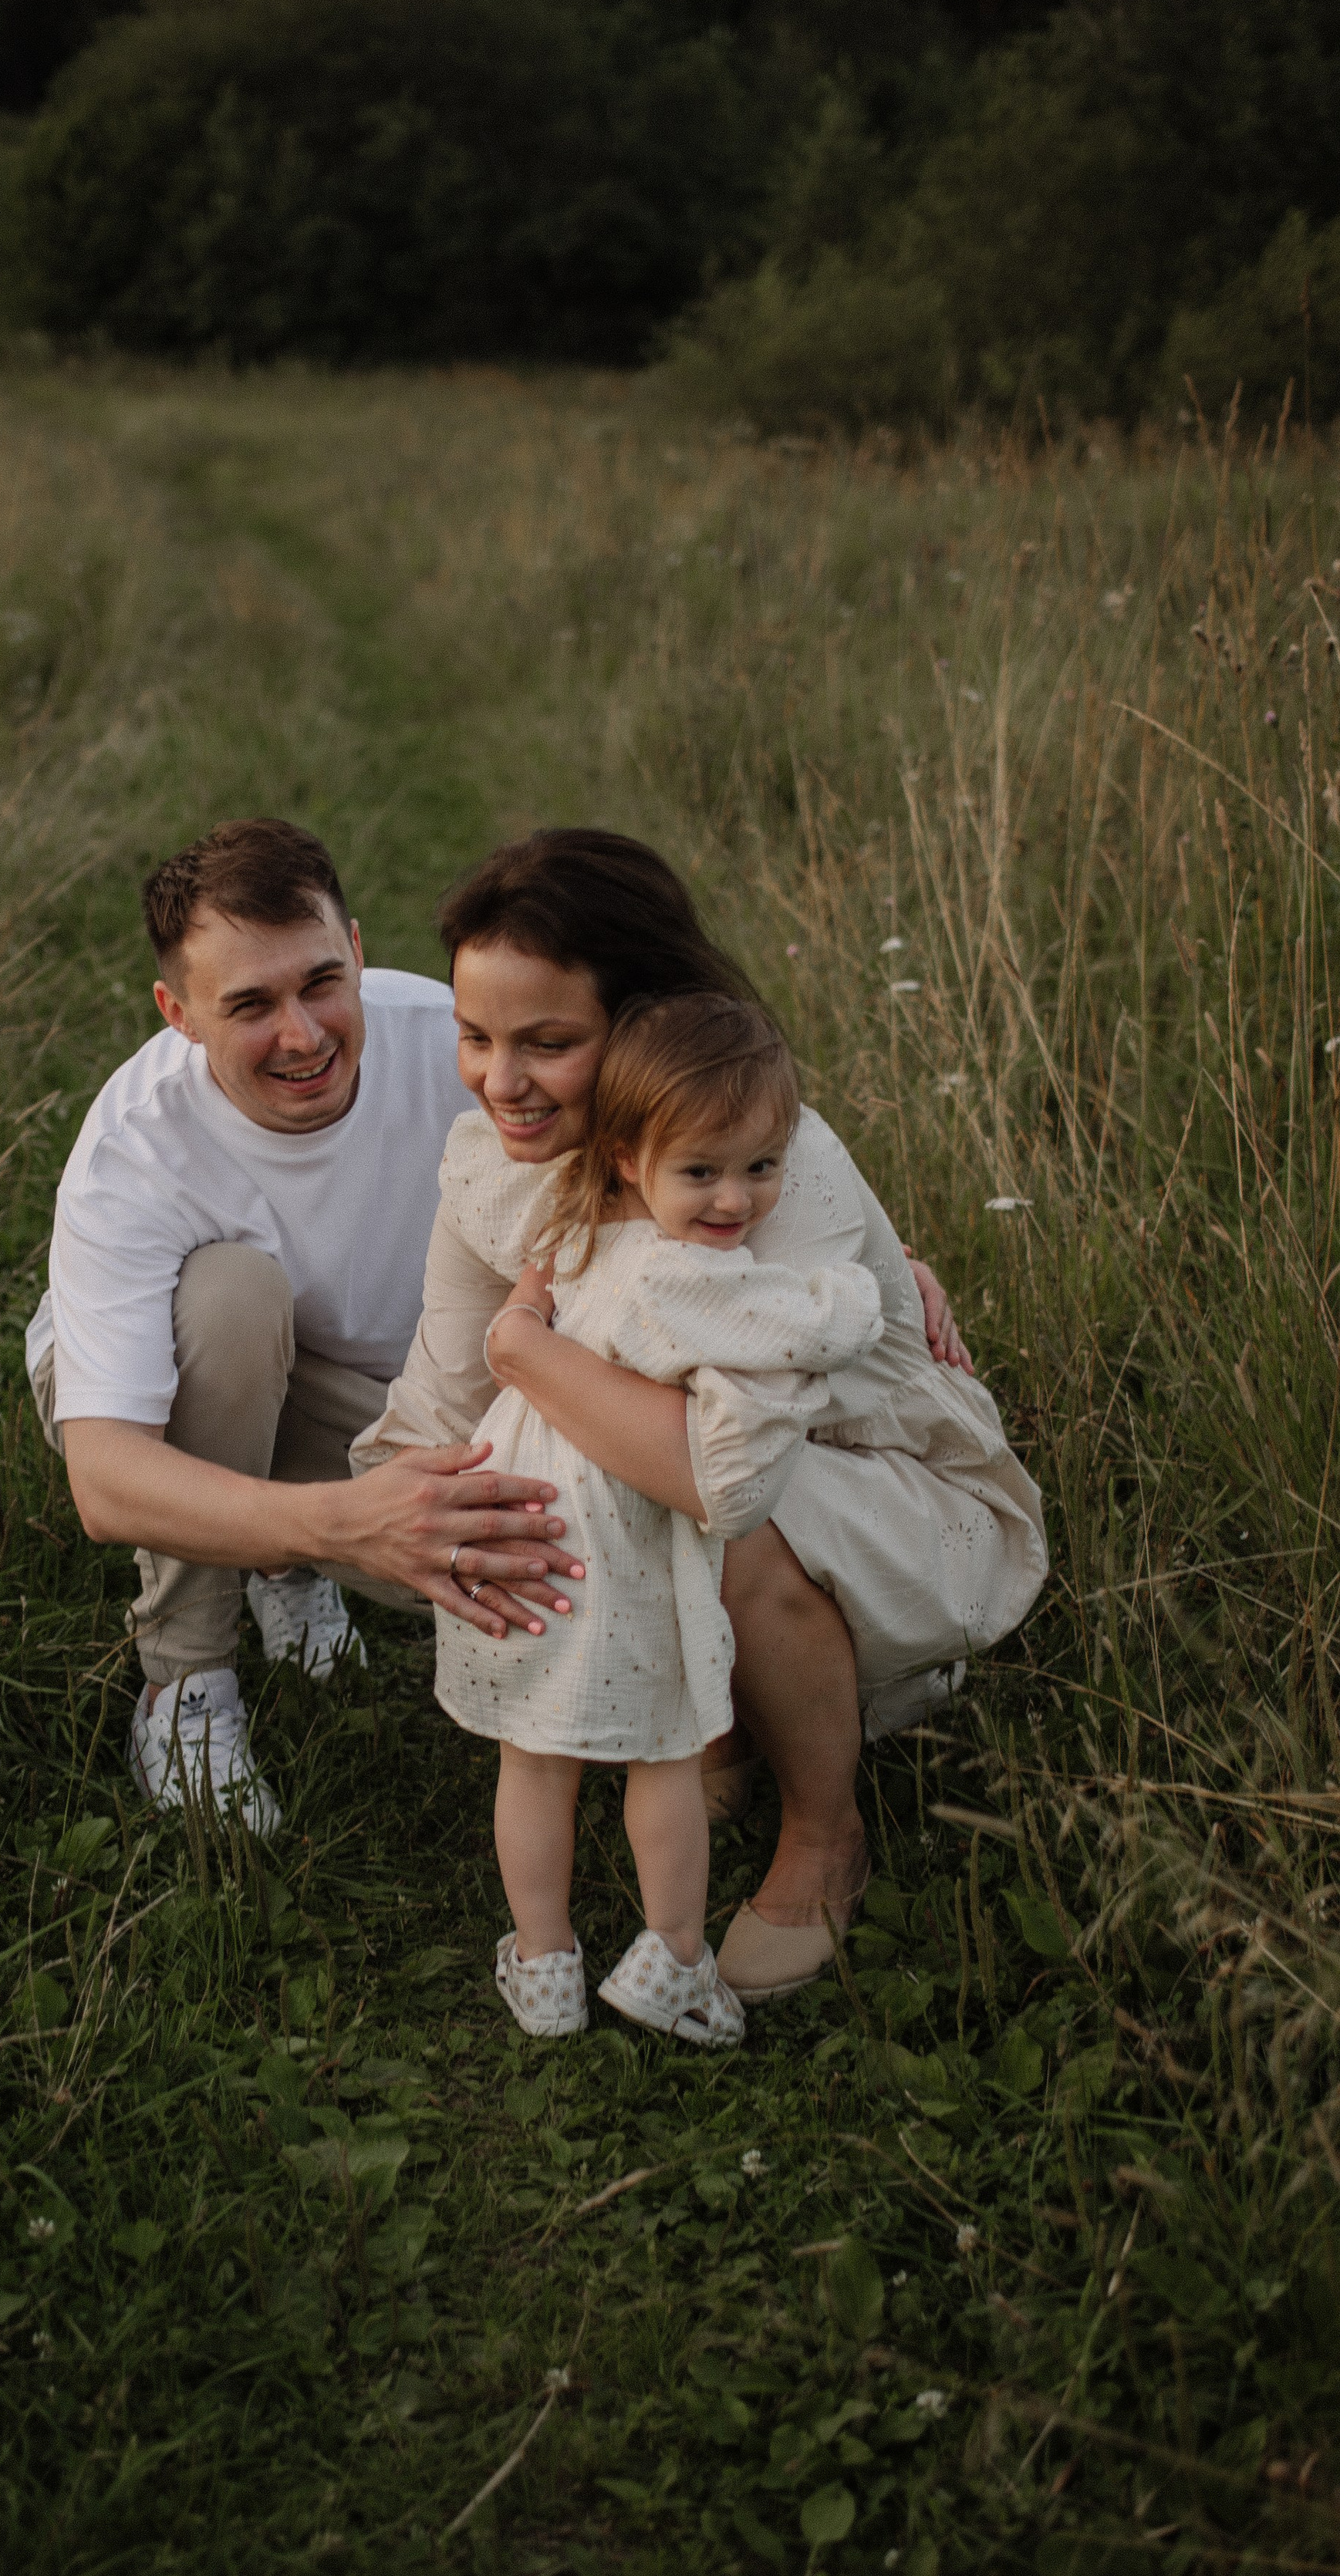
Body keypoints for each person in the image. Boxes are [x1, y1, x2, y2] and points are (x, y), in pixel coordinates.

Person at [356, 828, 1047, 2000]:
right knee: (498, 1488)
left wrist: (525, 1347)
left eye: (549, 1044)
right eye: (477, 1039)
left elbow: (724, 1476)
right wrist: (404, 1512)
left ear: (639, 1030)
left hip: (868, 1496)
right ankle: (713, 1727)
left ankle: (825, 1834)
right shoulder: (493, 1165)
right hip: (686, 1482)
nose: (502, 1081)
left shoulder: (764, 1164)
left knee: (718, 1520)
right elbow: (450, 1392)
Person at [26, 816, 581, 1836]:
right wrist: (350, 1526)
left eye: (321, 981)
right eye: (249, 1005)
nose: (303, 1033)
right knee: (232, 1296)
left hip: (385, 1392)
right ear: (178, 1013)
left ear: (360, 951)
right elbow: (105, 1482)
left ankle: (281, 1564)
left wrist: (865, 1255)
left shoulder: (460, 1051)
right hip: (193, 1363)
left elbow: (683, 1125)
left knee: (549, 1573)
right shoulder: (134, 1146)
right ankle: (186, 1681)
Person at [437, 991, 885, 2048]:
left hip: (522, 1511)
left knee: (531, 1758)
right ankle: (674, 1959)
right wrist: (868, 1289)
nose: (735, 1199)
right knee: (666, 1752)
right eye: (704, 1172)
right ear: (633, 1158)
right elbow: (819, 1322)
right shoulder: (695, 1276)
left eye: (761, 1167)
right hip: (618, 1529)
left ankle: (544, 1959)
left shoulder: (573, 1228)